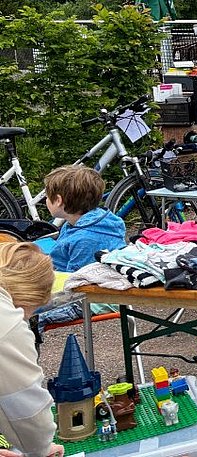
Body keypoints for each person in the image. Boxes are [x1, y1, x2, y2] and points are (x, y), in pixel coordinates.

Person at [0, 243, 65, 457]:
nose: (26, 318)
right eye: (31, 311)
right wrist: (41, 449)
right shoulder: (7, 323)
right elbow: (25, 409)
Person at [44, 165, 126, 272]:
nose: (46, 200)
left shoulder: (85, 241)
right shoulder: (84, 221)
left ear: (59, 200)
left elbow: (75, 281)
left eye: (47, 197)